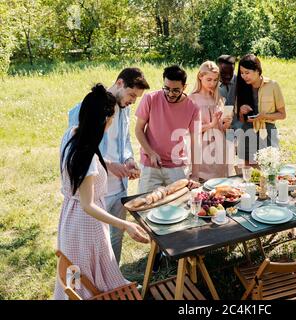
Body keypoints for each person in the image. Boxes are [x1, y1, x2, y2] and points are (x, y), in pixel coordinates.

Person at [54, 84, 149, 300]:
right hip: (87, 226)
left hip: (69, 220)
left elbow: (85, 165)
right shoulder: (86, 155)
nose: (112, 122)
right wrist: (125, 225)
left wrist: (111, 165)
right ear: (104, 120)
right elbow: (88, 205)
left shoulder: (71, 135)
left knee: (77, 278)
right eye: (111, 118)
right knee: (92, 280)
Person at [68, 68, 149, 264]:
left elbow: (125, 140)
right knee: (96, 242)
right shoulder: (84, 109)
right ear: (120, 83)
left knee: (116, 236)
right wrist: (109, 164)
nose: (132, 101)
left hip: (119, 187)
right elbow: (78, 149)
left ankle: (114, 279)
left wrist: (129, 159)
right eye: (131, 95)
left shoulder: (126, 109)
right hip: (95, 191)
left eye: (136, 97)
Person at [135, 65, 202, 193]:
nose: (170, 94)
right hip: (151, 165)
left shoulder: (193, 107)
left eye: (176, 90)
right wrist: (150, 152)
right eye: (167, 88)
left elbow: (196, 141)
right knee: (146, 205)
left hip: (177, 168)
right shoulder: (150, 99)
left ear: (184, 87)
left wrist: (195, 174)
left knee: (178, 207)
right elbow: (138, 129)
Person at [235, 54, 286, 166]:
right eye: (242, 73)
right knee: (249, 170)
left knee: (269, 168)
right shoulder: (242, 87)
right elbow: (241, 120)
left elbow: (282, 115)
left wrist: (265, 116)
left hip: (267, 130)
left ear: (257, 70)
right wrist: (241, 112)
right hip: (248, 131)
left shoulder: (272, 85)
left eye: (247, 72)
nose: (244, 76)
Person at [189, 61, 233, 181]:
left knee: (221, 188)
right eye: (209, 79)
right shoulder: (191, 99)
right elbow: (189, 130)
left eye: (215, 80)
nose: (212, 83)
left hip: (220, 148)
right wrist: (211, 125)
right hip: (202, 149)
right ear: (200, 76)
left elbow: (222, 129)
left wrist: (227, 124)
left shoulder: (219, 99)